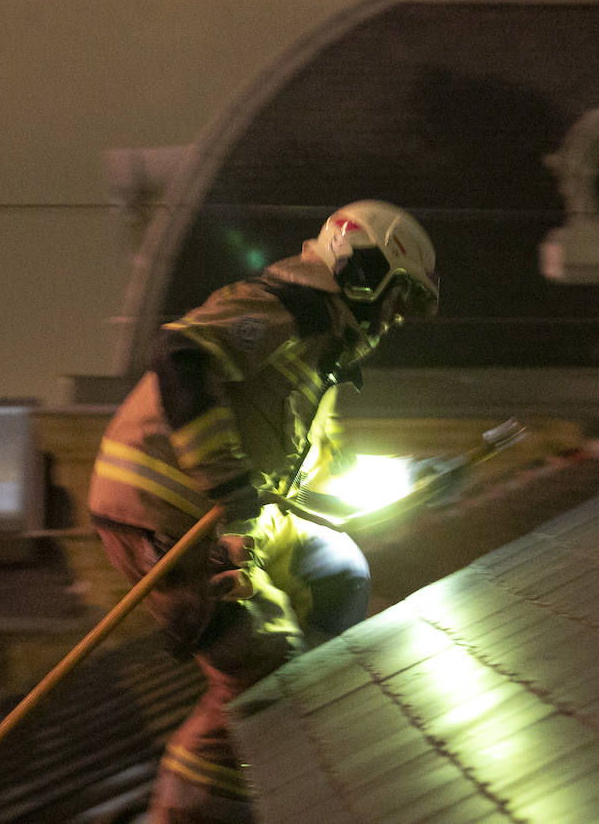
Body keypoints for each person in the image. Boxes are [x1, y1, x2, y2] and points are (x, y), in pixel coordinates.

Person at [87, 199, 438, 822]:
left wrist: (416, 480)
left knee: (336, 565)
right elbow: (181, 357)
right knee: (264, 674)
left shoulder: (316, 358)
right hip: (165, 518)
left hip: (226, 517)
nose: (395, 320)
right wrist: (229, 486)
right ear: (363, 273)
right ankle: (188, 809)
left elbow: (318, 481)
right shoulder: (287, 308)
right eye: (399, 298)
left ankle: (310, 716)